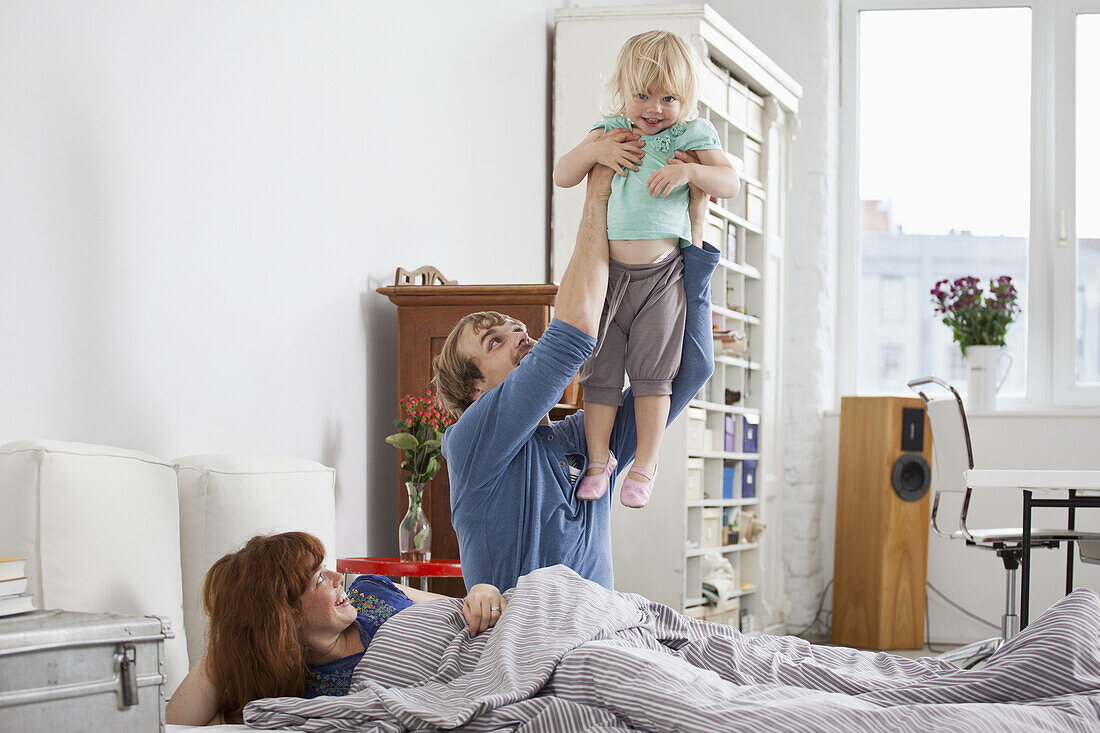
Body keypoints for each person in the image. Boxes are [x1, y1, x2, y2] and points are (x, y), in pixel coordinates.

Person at [432, 149, 720, 593]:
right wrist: (598, 193)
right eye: (496, 342)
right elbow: (572, 337)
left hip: (603, 636)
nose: (522, 338)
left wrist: (695, 232)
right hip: (533, 649)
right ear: (474, 389)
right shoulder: (469, 443)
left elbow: (692, 369)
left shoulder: (588, 441)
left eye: (520, 329)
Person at [552, 30, 741, 509]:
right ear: (623, 88)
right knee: (600, 376)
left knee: (654, 375)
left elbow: (730, 182)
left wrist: (691, 173)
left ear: (686, 99)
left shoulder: (691, 134)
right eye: (642, 95)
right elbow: (563, 173)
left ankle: (646, 462)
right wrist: (596, 152)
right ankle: (599, 460)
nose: (653, 108)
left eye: (668, 98)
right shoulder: (612, 129)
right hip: (609, 278)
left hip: (662, 277)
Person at [165, 532, 506, 726]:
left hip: (503, 645)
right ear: (287, 618)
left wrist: (483, 592)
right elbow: (175, 725)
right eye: (319, 579)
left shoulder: (369, 591)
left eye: (326, 568)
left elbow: (459, 607)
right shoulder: (304, 695)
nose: (338, 577)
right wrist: (241, 632)